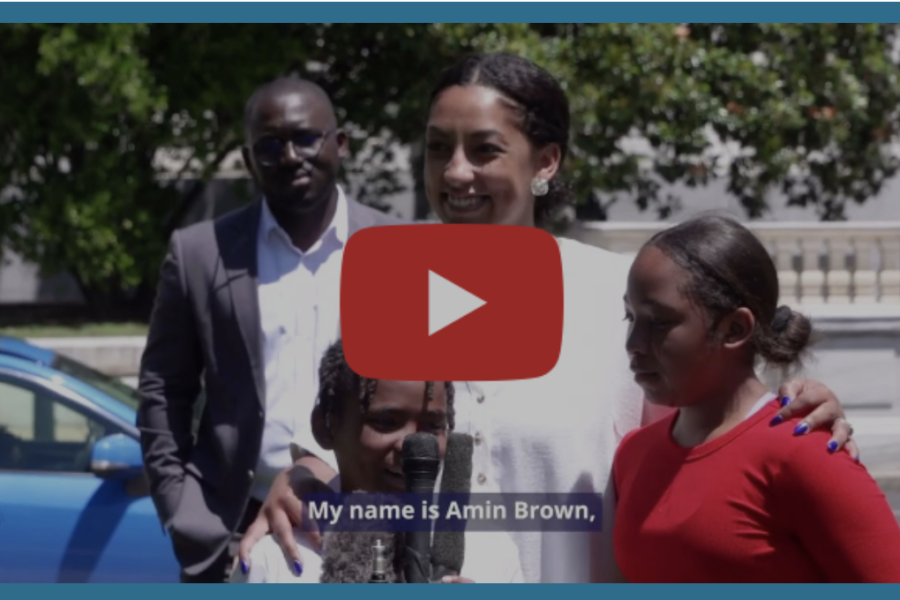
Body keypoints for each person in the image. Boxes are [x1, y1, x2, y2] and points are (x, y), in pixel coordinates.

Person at [239, 53, 858, 583]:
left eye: (485, 150)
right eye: (437, 149)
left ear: (545, 163)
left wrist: (799, 411)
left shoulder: (622, 300)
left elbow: (713, 438)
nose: (456, 172)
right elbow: (327, 447)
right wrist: (300, 478)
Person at [137, 76, 404, 583]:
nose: (289, 155)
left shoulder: (401, 247)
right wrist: (182, 509)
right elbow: (163, 389)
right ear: (248, 157)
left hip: (368, 522)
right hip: (233, 526)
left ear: (340, 143)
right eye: (269, 145)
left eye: (306, 138)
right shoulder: (200, 253)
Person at [608, 216, 900, 583]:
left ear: (734, 329)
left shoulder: (807, 454)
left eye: (660, 322)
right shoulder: (633, 456)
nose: (633, 344)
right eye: (630, 317)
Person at [230, 339, 524, 583]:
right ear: (325, 427)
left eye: (433, 426)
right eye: (385, 422)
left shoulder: (492, 555)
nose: (413, 446)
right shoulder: (278, 560)